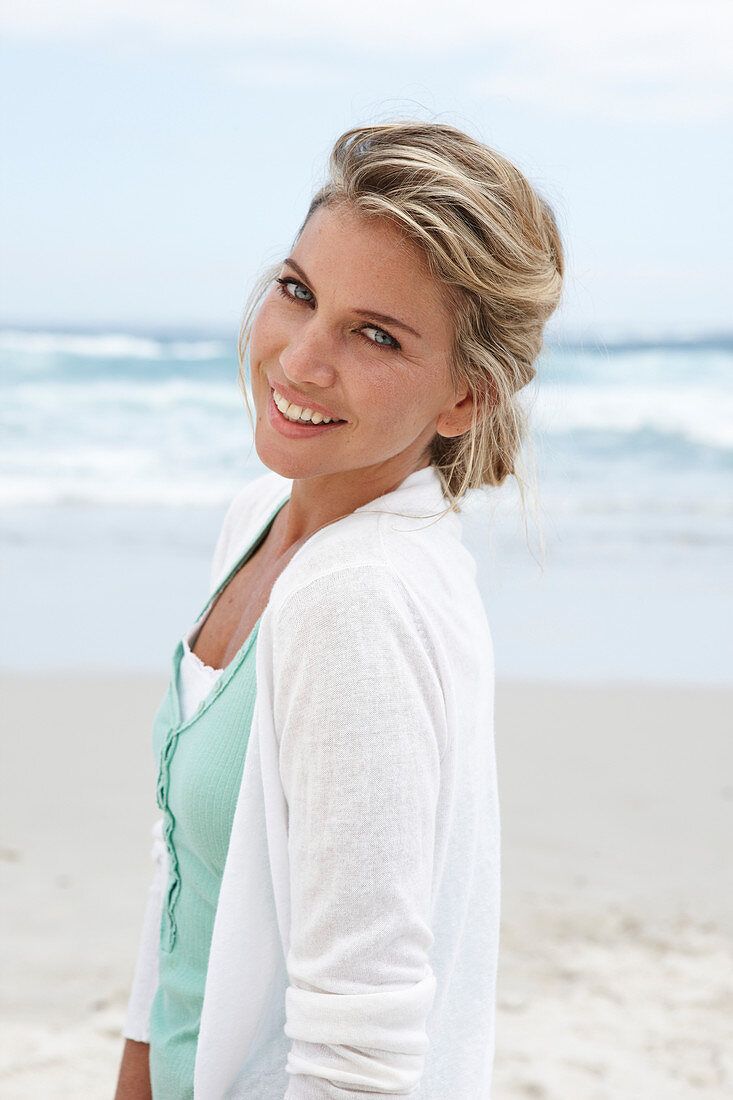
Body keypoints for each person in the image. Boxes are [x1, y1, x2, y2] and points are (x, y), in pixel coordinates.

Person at [114, 119, 564, 1099]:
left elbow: (361, 1060)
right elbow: (185, 879)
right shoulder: (262, 519)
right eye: (297, 292)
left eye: (374, 334)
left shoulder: (351, 598)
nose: (299, 359)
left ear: (465, 398)